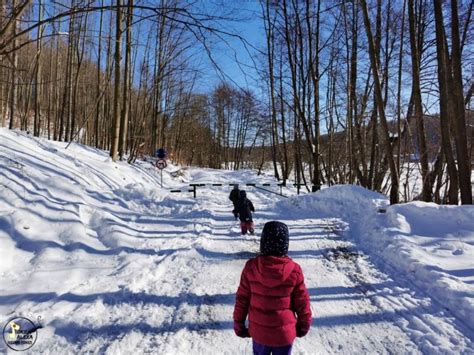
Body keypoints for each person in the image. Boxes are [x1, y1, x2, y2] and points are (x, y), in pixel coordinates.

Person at [233, 221, 312, 355]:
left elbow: (242, 299)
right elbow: (302, 301)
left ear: (263, 242)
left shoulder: (251, 267)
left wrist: (238, 323)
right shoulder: (294, 270)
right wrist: (304, 325)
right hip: (284, 335)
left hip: (259, 333)